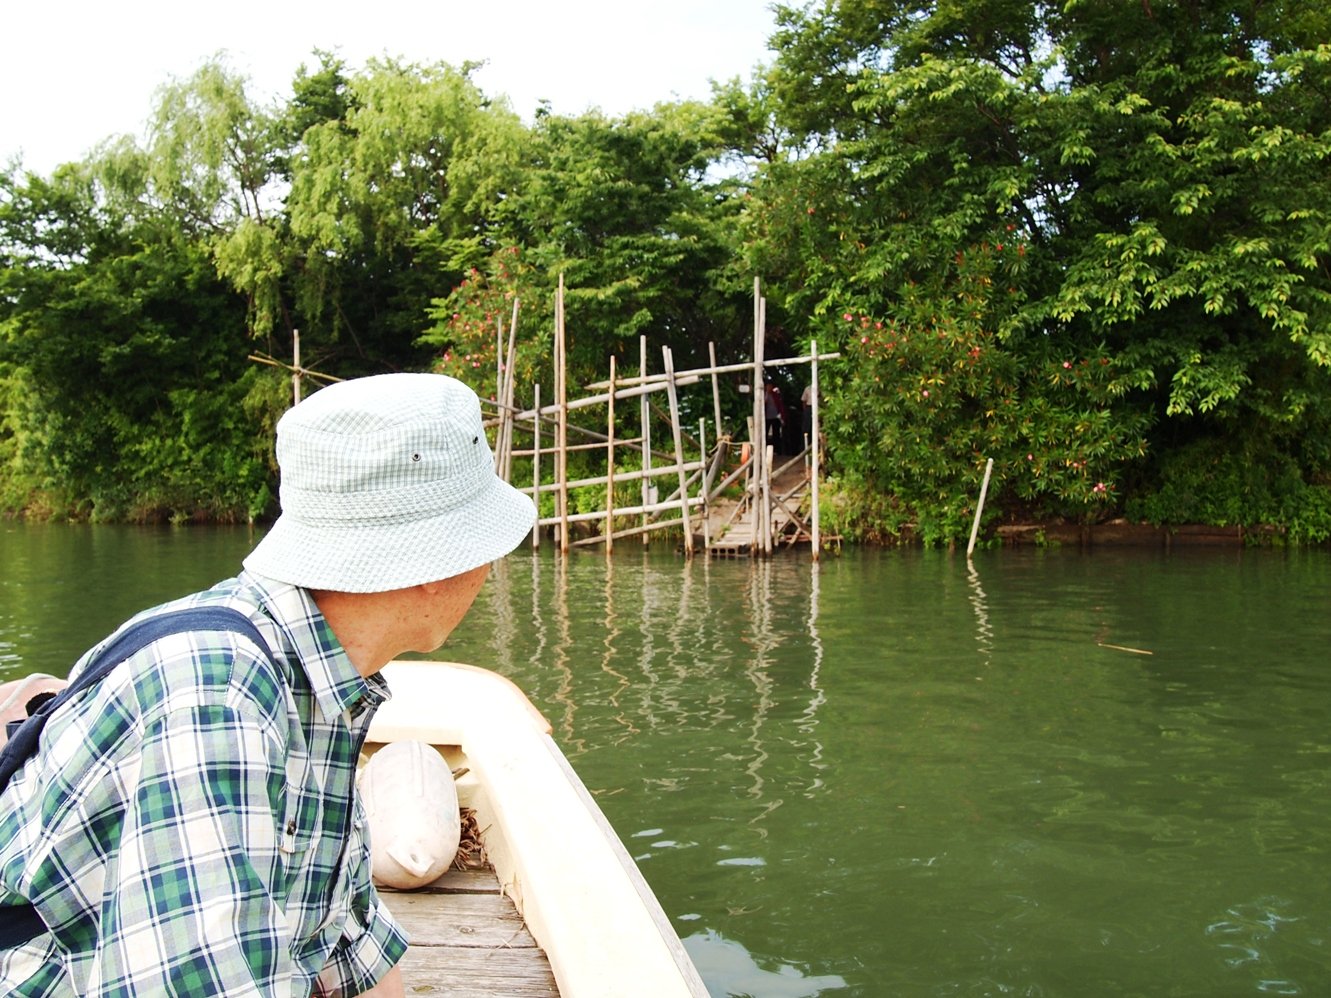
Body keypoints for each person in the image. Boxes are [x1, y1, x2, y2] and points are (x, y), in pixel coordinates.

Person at [0, 373, 535, 997]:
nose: (490, 564)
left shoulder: (327, 678)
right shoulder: (217, 696)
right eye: (486, 542)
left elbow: (342, 939)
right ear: (432, 562)